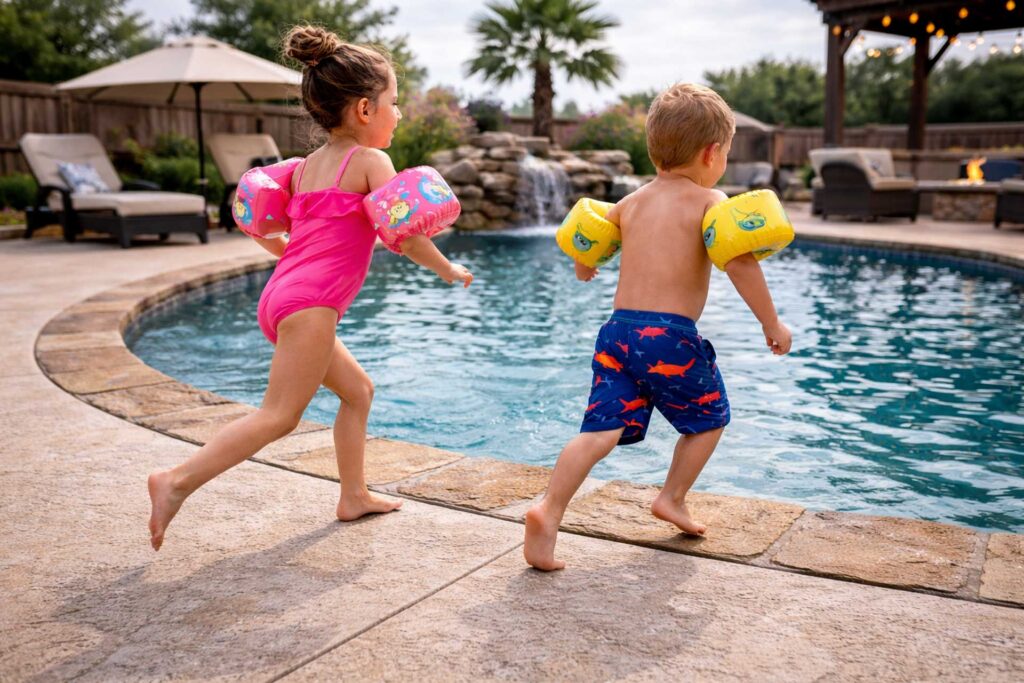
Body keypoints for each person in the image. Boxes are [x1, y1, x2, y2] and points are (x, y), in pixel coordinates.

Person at [147, 25, 472, 551]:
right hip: (310, 306)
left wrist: (294, 269)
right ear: (365, 110)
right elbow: (407, 235)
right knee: (279, 416)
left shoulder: (302, 170)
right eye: (395, 102)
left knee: (357, 392)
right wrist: (449, 270)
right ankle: (176, 481)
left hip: (284, 297)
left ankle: (354, 495)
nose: (400, 113)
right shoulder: (369, 162)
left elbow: (274, 234)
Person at [524, 83, 792, 571]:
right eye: (727, 152)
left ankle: (549, 509)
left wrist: (585, 270)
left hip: (617, 334)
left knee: (598, 432)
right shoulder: (709, 201)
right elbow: (741, 264)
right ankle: (671, 497)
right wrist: (770, 321)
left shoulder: (629, 203)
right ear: (713, 153)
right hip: (669, 336)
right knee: (710, 420)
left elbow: (588, 256)